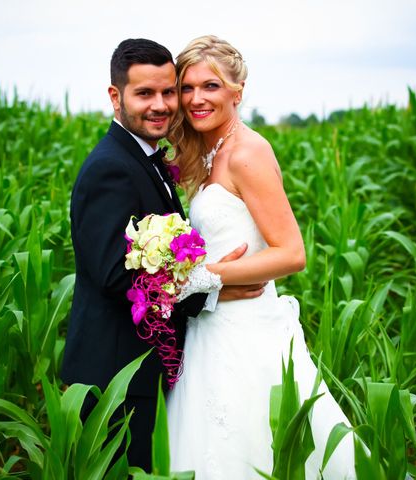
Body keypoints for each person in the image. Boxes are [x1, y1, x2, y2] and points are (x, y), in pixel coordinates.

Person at [60, 38, 264, 471]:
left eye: (168, 92)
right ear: (116, 96)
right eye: (144, 94)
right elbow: (118, 277)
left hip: (142, 370)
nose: (162, 105)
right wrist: (210, 287)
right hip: (115, 378)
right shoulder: (111, 167)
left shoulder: (147, 158)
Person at [166, 35, 357, 478]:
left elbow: (292, 253)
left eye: (210, 86)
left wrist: (204, 276)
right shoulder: (212, 150)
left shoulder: (247, 152)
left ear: (238, 90)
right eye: (188, 87)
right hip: (213, 324)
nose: (196, 99)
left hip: (246, 328)